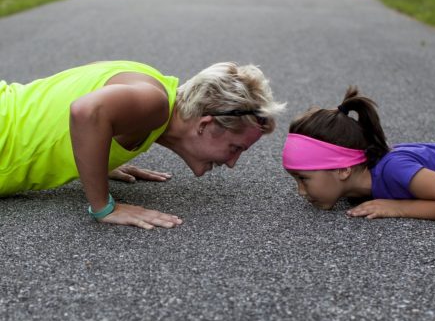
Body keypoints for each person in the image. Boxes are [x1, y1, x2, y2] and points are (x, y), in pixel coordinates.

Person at [1, 60, 285, 229]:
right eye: (235, 148)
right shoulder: (155, 103)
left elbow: (77, 99)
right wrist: (104, 207)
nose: (232, 163)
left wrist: (97, 158)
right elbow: (86, 112)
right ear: (205, 124)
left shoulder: (154, 89)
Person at [282, 86, 435, 221]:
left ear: (344, 169)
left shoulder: (394, 169)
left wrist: (398, 207)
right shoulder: (361, 185)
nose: (300, 191)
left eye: (304, 178)